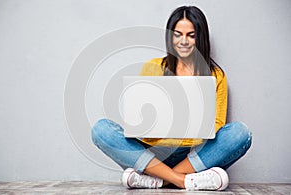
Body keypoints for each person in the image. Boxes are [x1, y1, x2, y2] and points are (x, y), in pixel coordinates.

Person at [91, 5, 252, 191]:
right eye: (178, 34)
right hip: (152, 154)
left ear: (200, 38)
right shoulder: (153, 67)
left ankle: (157, 179)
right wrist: (148, 125)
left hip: (194, 156)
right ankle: (183, 181)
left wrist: (183, 126)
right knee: (101, 130)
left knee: (240, 133)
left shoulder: (215, 76)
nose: (184, 41)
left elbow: (216, 125)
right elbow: (141, 123)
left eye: (191, 35)